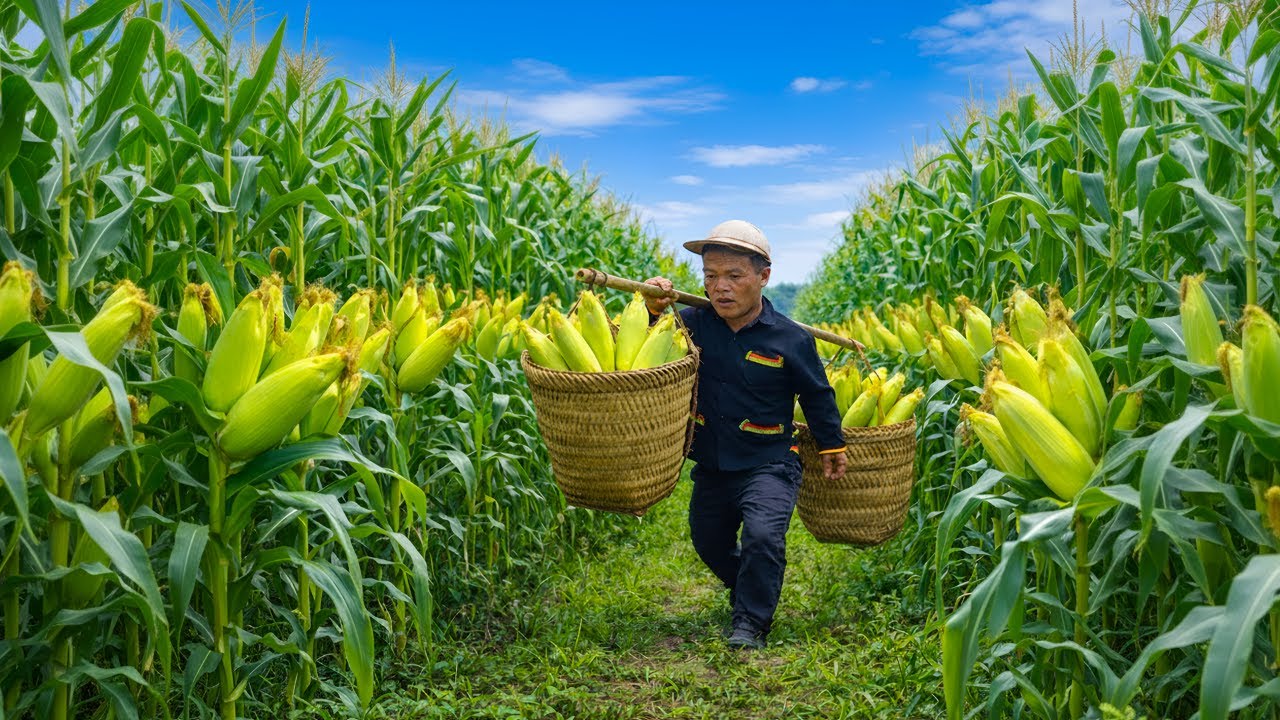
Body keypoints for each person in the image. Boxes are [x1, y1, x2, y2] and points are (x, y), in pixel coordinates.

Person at [644, 219, 848, 650]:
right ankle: (749, 586)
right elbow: (643, 354)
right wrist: (653, 311)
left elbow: (816, 393)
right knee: (709, 541)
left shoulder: (790, 338)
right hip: (713, 463)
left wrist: (831, 443)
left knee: (762, 537)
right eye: (710, 276)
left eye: (734, 276)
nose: (720, 287)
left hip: (770, 461)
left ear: (763, 276)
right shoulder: (692, 325)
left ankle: (750, 623)